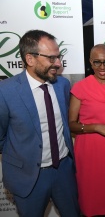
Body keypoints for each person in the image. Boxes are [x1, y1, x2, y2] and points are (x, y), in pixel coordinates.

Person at [0, 29, 80, 217]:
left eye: (58, 57)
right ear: (30, 59)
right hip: (28, 177)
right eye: (51, 58)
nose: (58, 64)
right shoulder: (5, 91)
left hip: (63, 170)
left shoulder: (62, 85)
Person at [69, 44, 105, 216]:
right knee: (89, 200)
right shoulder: (80, 87)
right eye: (97, 62)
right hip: (88, 150)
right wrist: (96, 127)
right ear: (90, 63)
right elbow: (71, 124)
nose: (102, 67)